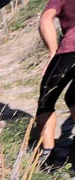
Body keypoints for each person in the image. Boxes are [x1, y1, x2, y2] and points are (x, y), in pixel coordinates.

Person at [32, 0, 75, 166]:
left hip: (70, 50)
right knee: (72, 96)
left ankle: (48, 154)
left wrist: (52, 53)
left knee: (46, 100)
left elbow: (45, 19)